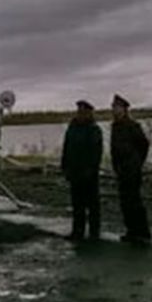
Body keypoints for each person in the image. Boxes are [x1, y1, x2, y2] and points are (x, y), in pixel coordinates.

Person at [109, 94, 151, 244]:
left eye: (117, 107)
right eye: (113, 107)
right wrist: (116, 166)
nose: (114, 110)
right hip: (121, 169)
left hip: (132, 170)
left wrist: (137, 162)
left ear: (124, 109)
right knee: (125, 202)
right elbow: (114, 149)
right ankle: (131, 231)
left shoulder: (133, 126)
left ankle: (143, 232)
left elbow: (144, 145)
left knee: (135, 201)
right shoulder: (115, 127)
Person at [60, 99, 102, 240]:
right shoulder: (72, 128)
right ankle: (77, 231)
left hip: (89, 174)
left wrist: (91, 169)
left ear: (89, 113)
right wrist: (64, 166)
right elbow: (66, 148)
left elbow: (96, 152)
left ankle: (94, 232)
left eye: (84, 112)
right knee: (77, 204)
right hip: (74, 172)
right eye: (79, 111)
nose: (81, 114)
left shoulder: (94, 129)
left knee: (92, 204)